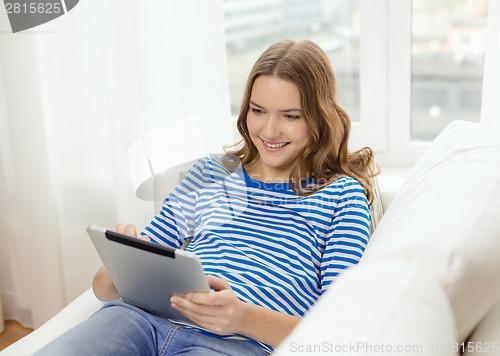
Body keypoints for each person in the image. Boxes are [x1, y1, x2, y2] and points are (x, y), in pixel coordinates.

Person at [37, 39, 376, 355]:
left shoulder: (342, 195)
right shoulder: (210, 173)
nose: (269, 131)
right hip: (137, 318)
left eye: (290, 116)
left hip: (234, 344)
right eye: (258, 111)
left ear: (320, 116)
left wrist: (241, 318)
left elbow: (337, 331)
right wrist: (122, 264)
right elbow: (103, 289)